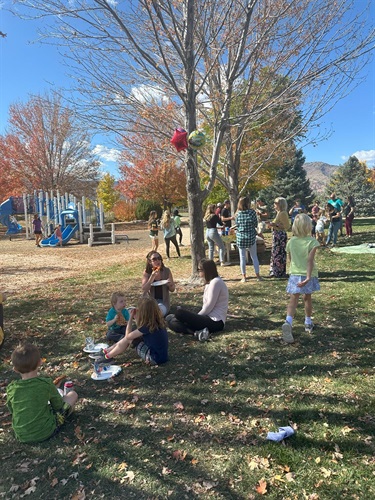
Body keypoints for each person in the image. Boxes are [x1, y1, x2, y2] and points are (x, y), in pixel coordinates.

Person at [6, 343, 78, 443]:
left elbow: (12, 409)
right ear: (40, 362)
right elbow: (58, 406)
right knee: (73, 395)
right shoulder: (45, 384)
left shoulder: (11, 388)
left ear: (15, 369)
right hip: (46, 431)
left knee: (59, 391)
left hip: (21, 435)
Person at [166, 259, 229, 341]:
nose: (199, 272)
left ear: (206, 270)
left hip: (216, 321)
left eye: (200, 270)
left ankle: (194, 328)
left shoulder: (216, 282)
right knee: (171, 322)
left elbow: (208, 307)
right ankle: (196, 333)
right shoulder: (209, 283)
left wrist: (194, 319)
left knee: (179, 313)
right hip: (207, 317)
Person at [282, 214, 320, 343]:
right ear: (308, 226)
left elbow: (290, 258)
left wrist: (293, 270)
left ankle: (288, 322)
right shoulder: (312, 242)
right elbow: (310, 260)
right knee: (307, 298)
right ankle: (308, 322)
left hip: (294, 273)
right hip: (307, 274)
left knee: (293, 299)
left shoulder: (291, 241)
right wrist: (308, 277)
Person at [95, 297, 168, 366]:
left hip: (154, 358)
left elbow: (128, 336)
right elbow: (139, 331)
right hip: (162, 356)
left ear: (143, 312)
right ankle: (107, 351)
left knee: (128, 339)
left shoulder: (147, 326)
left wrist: (130, 318)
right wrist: (136, 318)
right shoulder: (156, 322)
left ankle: (108, 357)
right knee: (131, 337)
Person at [234, 196, 263, 282]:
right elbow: (255, 224)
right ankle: (258, 276)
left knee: (242, 258)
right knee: (254, 256)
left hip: (241, 237)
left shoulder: (237, 214)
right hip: (250, 236)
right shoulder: (252, 212)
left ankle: (244, 277)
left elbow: (237, 224)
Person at [142, 251, 175, 316]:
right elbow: (144, 290)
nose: (158, 261)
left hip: (163, 302)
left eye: (159, 258)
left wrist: (170, 285)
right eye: (154, 259)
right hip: (151, 302)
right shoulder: (147, 272)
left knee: (158, 312)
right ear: (149, 262)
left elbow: (172, 289)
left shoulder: (166, 271)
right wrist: (152, 277)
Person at [267, 197, 290, 278]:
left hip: (280, 236)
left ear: (280, 204)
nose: (274, 205)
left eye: (276, 203)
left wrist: (274, 225)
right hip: (276, 235)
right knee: (275, 253)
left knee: (279, 253)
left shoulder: (283, 213)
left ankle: (279, 271)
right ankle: (275, 270)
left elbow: (286, 226)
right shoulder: (279, 213)